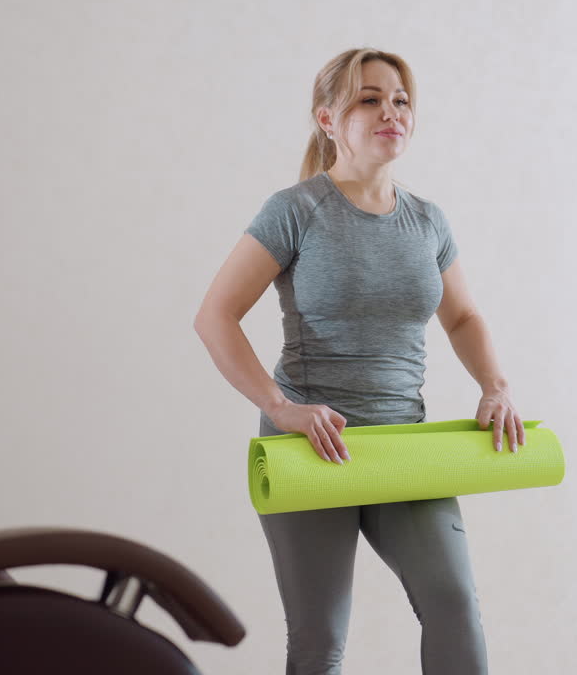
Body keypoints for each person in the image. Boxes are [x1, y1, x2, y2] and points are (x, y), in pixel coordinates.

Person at [194, 47, 524, 675]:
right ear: (328, 119)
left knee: (454, 605)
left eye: (400, 100)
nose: (390, 112)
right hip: (311, 447)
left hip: (403, 445)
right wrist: (280, 408)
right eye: (369, 99)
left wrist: (496, 386)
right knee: (320, 641)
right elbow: (215, 316)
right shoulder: (296, 210)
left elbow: (462, 317)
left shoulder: (428, 221)